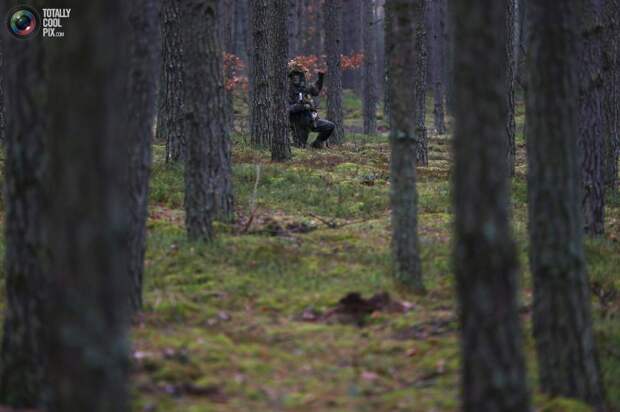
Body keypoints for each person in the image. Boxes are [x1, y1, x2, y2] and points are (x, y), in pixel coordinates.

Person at [287, 61, 336, 148]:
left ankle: (317, 144)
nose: (296, 77)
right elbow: (287, 109)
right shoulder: (286, 90)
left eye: (298, 75)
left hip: (311, 120)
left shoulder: (305, 87)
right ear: (290, 76)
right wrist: (300, 106)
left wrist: (321, 77)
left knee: (330, 126)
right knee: (300, 147)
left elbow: (316, 90)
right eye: (294, 75)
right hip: (298, 124)